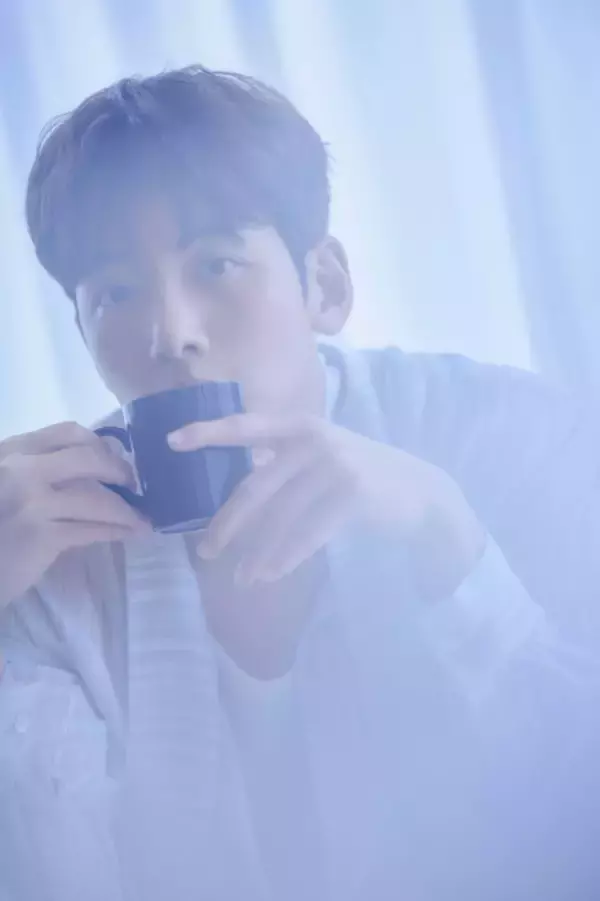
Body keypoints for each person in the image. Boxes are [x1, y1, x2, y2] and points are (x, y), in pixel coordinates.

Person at [0, 64, 599, 901]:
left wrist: (447, 535)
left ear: (325, 285)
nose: (171, 334)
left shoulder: (509, 434)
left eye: (216, 265)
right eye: (116, 294)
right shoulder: (38, 544)